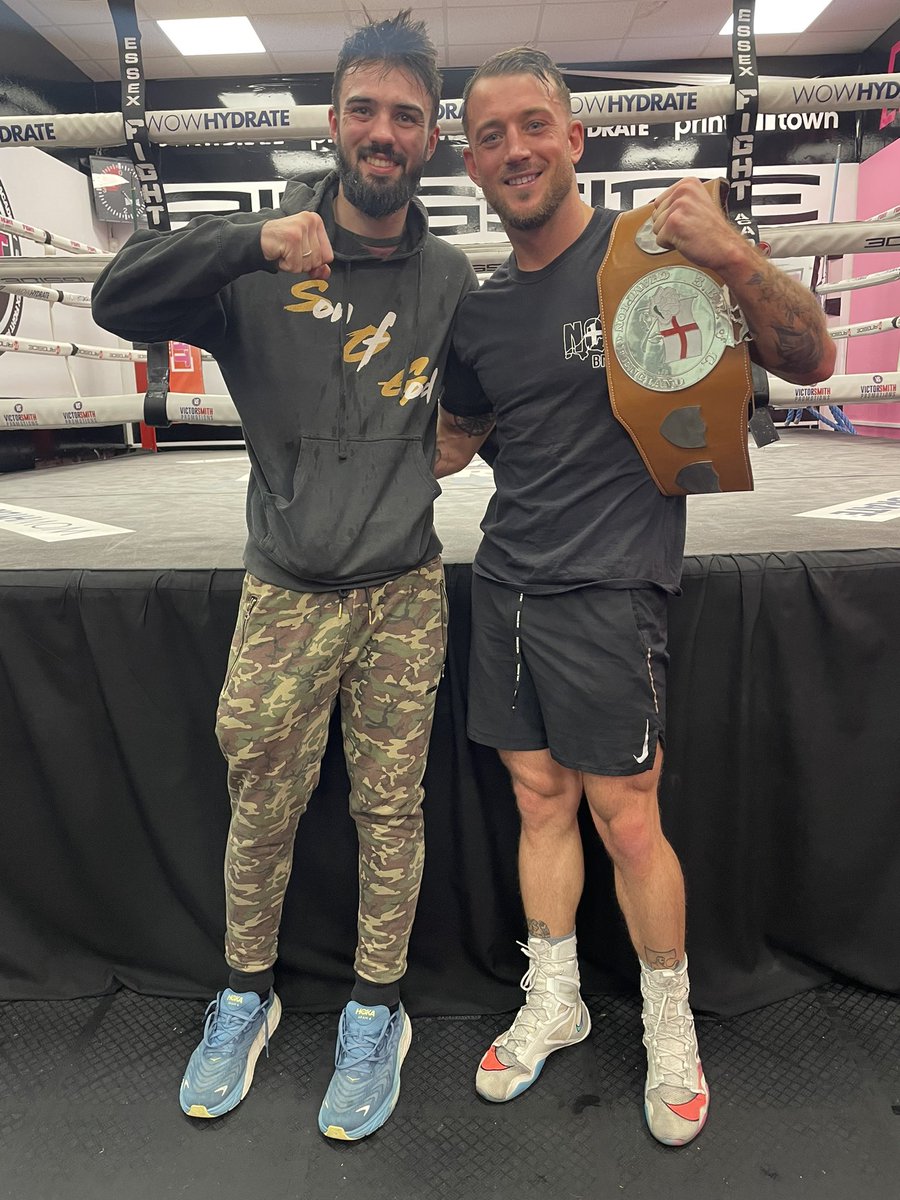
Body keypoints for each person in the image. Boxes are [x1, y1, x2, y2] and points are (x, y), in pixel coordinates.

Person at [435, 48, 835, 1146]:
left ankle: (670, 1026)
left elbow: (811, 356)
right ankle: (555, 999)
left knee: (626, 817)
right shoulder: (476, 315)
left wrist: (736, 253)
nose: (513, 148)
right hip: (505, 581)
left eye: (533, 125)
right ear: (469, 163)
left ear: (574, 138)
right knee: (538, 803)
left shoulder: (653, 256)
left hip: (612, 590)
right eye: (489, 136)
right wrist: (331, 378)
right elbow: (446, 449)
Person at [92, 10, 476, 1141]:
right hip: (286, 589)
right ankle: (244, 994)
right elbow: (119, 297)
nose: (383, 131)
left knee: (390, 810)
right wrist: (251, 243)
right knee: (261, 804)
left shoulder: (449, 274)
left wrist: (460, 433)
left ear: (429, 136)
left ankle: (375, 1009)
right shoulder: (260, 255)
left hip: (404, 589)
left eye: (406, 115)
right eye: (365, 108)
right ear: (334, 119)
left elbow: (493, 387)